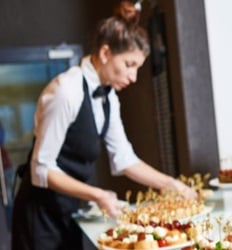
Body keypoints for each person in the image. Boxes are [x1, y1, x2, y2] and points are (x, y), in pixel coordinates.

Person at [11, 1, 197, 249]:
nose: (133, 77)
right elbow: (41, 169)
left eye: (137, 68)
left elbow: (124, 158)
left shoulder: (108, 96)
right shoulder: (66, 90)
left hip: (69, 209)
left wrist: (172, 184)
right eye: (129, 65)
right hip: (40, 216)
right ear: (105, 53)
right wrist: (98, 195)